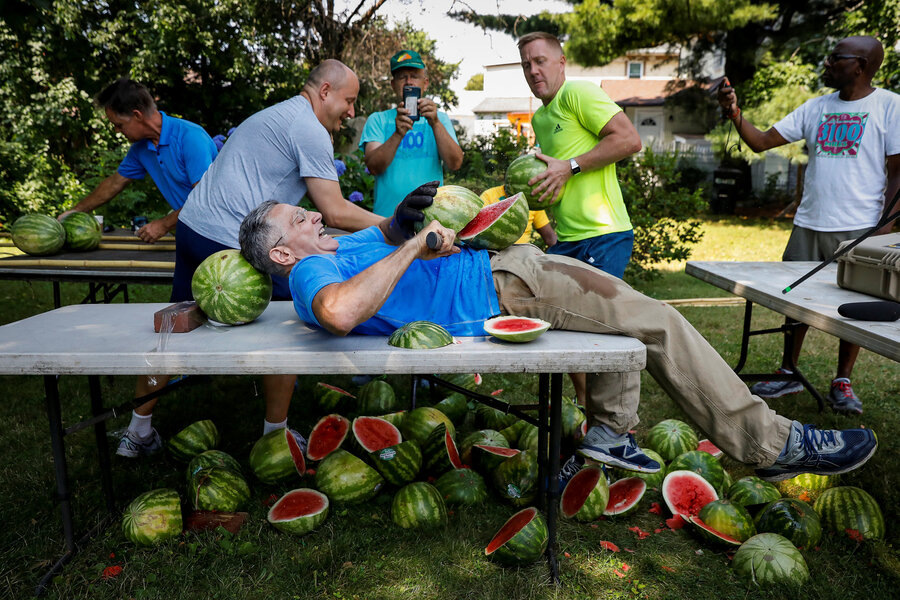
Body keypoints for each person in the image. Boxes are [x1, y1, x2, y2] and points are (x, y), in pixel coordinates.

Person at [237, 192, 878, 486]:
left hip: (507, 271)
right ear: (282, 253)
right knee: (659, 322)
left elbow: (377, 240)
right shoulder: (310, 274)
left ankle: (610, 434)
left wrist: (403, 216)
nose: (315, 215)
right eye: (300, 219)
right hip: (508, 287)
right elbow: (341, 311)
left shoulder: (333, 246)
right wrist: (412, 243)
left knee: (632, 315)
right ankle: (772, 443)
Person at [117, 59, 428, 458]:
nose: (351, 112)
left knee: (174, 328)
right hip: (235, 240)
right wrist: (397, 225)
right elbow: (333, 212)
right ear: (325, 92)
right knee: (290, 326)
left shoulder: (277, 113)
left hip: (194, 227)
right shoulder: (309, 129)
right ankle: (274, 434)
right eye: (349, 101)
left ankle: (137, 431)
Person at [717, 36, 900, 415]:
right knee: (795, 300)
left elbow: (898, 172)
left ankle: (842, 381)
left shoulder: (890, 107)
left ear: (861, 65)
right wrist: (735, 113)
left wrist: (888, 224)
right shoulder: (816, 107)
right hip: (809, 222)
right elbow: (761, 143)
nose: (827, 63)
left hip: (860, 228)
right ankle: (788, 371)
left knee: (855, 306)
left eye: (836, 58)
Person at [518, 31, 643, 407]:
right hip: (566, 239)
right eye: (526, 64)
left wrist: (570, 168)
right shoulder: (541, 118)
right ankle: (586, 410)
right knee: (565, 331)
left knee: (603, 334)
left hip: (604, 235)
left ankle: (618, 428)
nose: (533, 70)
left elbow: (629, 140)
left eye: (540, 61)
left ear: (561, 62)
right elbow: (556, 175)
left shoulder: (578, 93)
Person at [59, 78, 218, 243]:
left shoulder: (191, 138)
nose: (116, 131)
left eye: (119, 125)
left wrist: (163, 224)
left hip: (218, 236)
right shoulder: (140, 148)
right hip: (191, 235)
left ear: (137, 115)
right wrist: (75, 212)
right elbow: (114, 183)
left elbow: (205, 200)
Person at [360, 49, 463, 217]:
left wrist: (435, 123)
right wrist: (398, 134)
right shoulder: (377, 120)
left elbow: (455, 163)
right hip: (386, 221)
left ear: (425, 83)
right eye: (402, 77)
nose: (409, 82)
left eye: (414, 76)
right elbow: (373, 167)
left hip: (429, 218)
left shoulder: (440, 119)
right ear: (393, 85)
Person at [480, 185, 558, 247]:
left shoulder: (532, 201)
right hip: (495, 250)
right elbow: (480, 228)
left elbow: (549, 237)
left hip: (522, 252)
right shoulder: (489, 195)